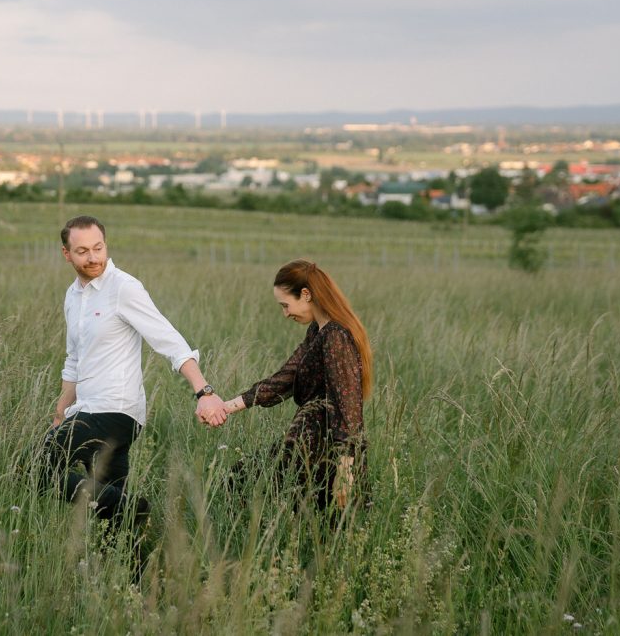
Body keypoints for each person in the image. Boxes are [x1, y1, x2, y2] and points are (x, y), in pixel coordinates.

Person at [39, 215, 227, 522]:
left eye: (98, 248)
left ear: (106, 245)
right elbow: (74, 359)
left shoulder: (124, 288)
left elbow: (169, 340)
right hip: (85, 410)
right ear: (67, 254)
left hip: (115, 411)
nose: (93, 257)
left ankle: (129, 507)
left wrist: (204, 391)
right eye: (82, 251)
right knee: (110, 516)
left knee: (34, 468)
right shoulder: (73, 296)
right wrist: (60, 414)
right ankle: (134, 549)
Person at [216, 259, 372, 511]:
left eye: (286, 305)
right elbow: (286, 377)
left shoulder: (336, 337)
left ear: (306, 294)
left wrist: (346, 467)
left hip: (327, 453)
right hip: (306, 447)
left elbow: (348, 404)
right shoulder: (318, 331)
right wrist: (226, 407)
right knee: (239, 481)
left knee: (240, 481)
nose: (285, 313)